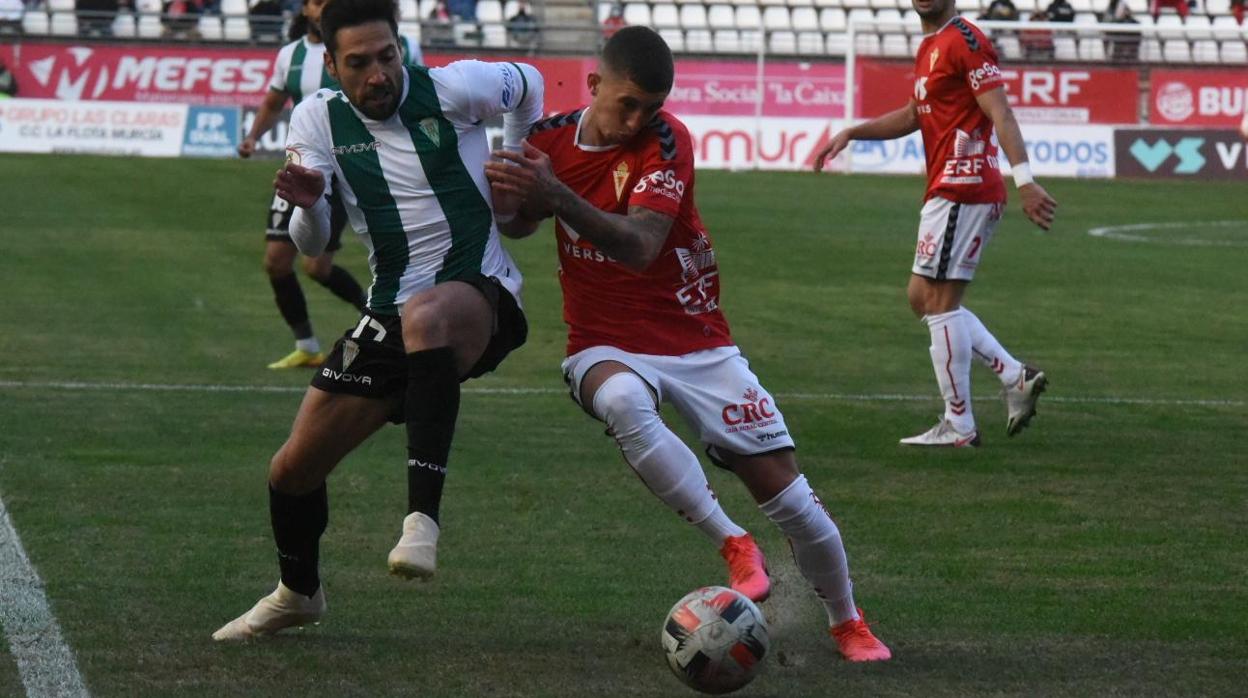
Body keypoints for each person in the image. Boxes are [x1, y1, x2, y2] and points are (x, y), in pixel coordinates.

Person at [484, 26, 891, 662]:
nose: (640, 118)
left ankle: (847, 621)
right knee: (620, 400)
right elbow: (521, 222)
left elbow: (641, 246)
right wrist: (508, 195)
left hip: (696, 340)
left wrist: (554, 194)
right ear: (594, 86)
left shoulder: (668, 141)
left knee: (792, 500)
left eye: (651, 105)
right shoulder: (546, 141)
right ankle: (733, 543)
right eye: (628, 104)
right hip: (603, 338)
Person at [212, 0, 544, 641]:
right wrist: (307, 208)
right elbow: (310, 246)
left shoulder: (454, 86)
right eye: (359, 63)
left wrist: (514, 160)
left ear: (401, 48)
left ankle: (422, 523)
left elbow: (527, 84)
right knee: (291, 472)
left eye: (387, 57)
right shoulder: (315, 119)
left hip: (482, 293)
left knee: (426, 314)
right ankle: (298, 592)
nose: (378, 75)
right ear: (331, 66)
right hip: (388, 310)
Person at [813, 0, 1056, 447]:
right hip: (947, 189)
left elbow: (1000, 111)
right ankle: (1013, 375)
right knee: (921, 298)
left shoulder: (966, 40)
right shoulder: (930, 46)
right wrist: (853, 132)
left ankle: (959, 425)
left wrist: (1025, 180)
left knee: (939, 303)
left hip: (964, 186)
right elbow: (913, 115)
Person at [239, 0, 423, 370]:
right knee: (276, 262)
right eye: (317, 2)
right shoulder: (290, 55)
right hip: (301, 170)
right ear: (306, 10)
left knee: (317, 268)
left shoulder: (371, 47)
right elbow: (274, 101)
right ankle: (306, 345)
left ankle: (381, 318)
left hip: (347, 168)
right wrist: (253, 137)